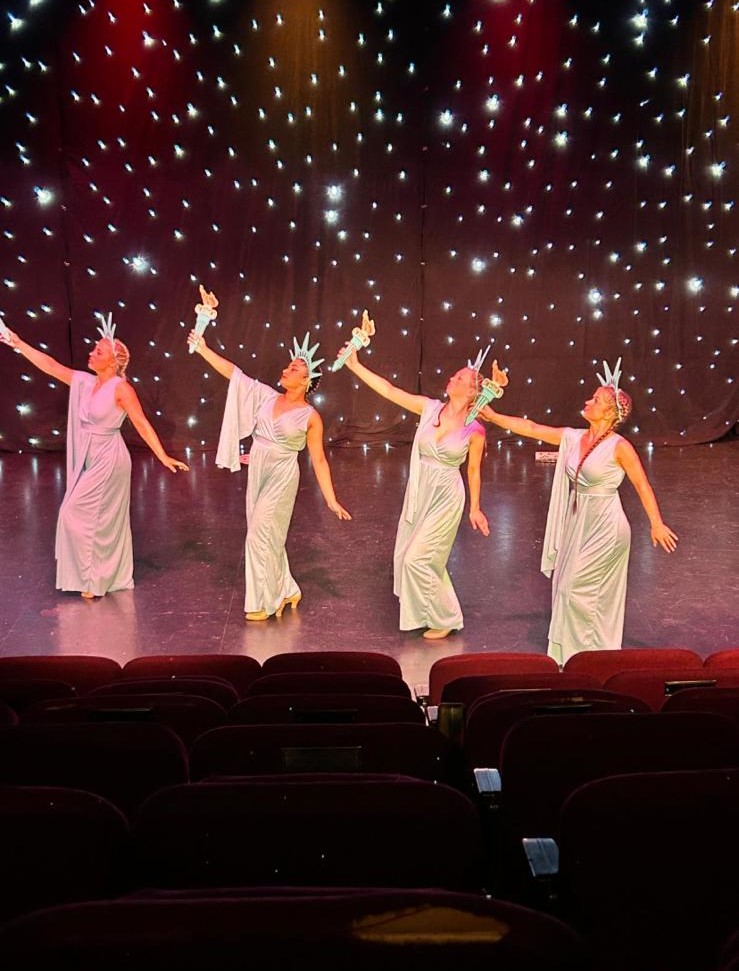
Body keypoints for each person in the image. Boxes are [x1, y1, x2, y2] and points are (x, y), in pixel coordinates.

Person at [480, 358, 678, 665]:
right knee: (565, 588)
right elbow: (532, 428)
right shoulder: (574, 437)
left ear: (610, 413)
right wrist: (493, 416)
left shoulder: (619, 446)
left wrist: (656, 523)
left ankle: (584, 657)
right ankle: (578, 656)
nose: (588, 401)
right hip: (578, 521)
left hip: (607, 526)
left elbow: (641, 484)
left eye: (595, 400)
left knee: (576, 590)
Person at [188, 291, 351, 622]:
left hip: (281, 477)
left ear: (306, 381)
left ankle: (268, 599)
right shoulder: (265, 396)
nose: (288, 368)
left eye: (295, 368)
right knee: (268, 535)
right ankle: (288, 588)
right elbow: (234, 375)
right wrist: (203, 347)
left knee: (260, 533)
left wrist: (331, 500)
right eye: (289, 364)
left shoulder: (310, 416)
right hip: (259, 470)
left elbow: (318, 460)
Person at [0, 315, 189, 598]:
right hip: (92, 456)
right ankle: (97, 577)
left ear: (112, 361)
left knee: (73, 513)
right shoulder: (86, 382)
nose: (91, 353)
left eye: (98, 351)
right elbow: (51, 366)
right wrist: (17, 343)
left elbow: (141, 423)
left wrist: (162, 456)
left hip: (110, 459)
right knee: (96, 520)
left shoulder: (121, 389)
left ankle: (94, 579)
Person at [339, 315, 492, 640]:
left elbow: (474, 470)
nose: (452, 378)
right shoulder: (429, 408)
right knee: (423, 558)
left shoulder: (475, 429)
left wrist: (475, 508)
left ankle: (447, 616)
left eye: (460, 377)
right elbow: (390, 390)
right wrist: (355, 365)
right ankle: (432, 612)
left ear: (470, 390)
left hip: (447, 497)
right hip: (421, 490)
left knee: (417, 559)